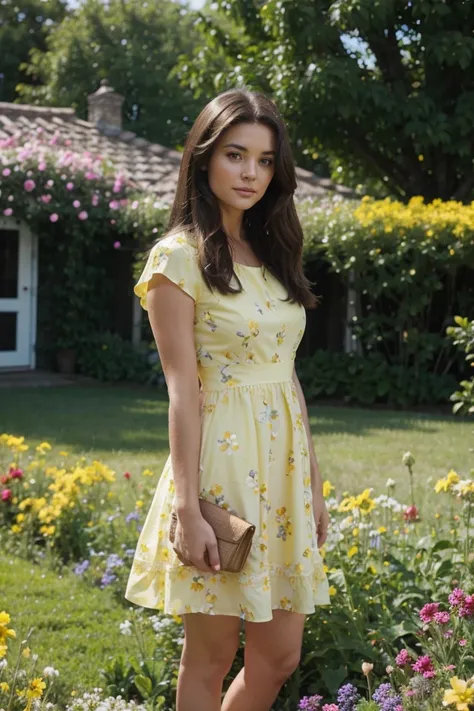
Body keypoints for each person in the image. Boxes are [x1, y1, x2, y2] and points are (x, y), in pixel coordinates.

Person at [125, 87, 330, 711]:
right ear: (204, 158)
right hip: (221, 472)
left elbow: (287, 375)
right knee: (210, 659)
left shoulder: (273, 255)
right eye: (236, 155)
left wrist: (314, 483)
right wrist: (187, 509)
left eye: (265, 161)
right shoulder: (178, 259)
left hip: (284, 470)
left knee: (279, 658)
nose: (250, 173)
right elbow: (181, 391)